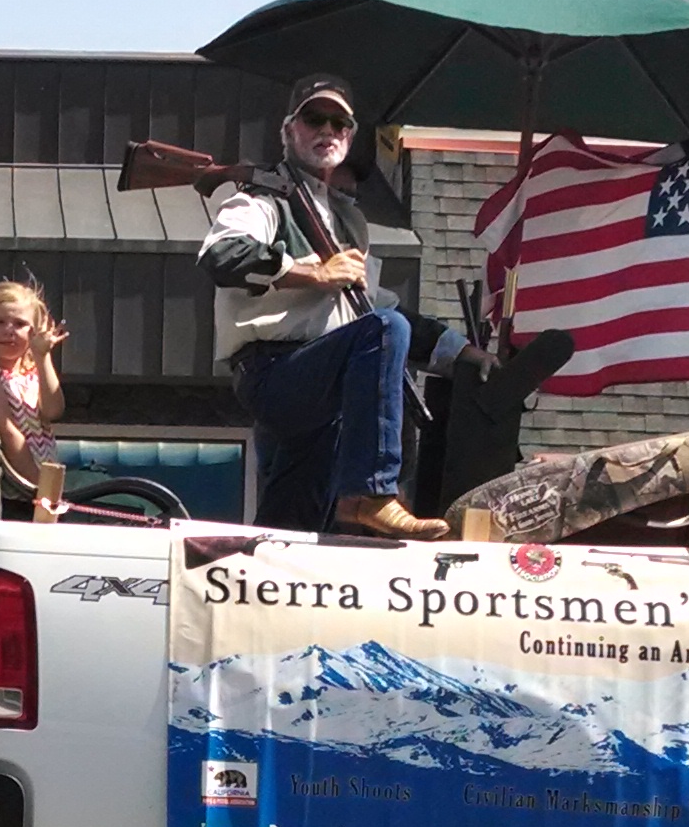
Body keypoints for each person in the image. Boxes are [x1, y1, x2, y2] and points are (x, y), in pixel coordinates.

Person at [199, 75, 484, 540]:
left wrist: (464, 352)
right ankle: (371, 495)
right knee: (382, 331)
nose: (327, 129)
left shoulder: (347, 220)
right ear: (289, 131)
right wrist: (312, 272)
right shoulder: (260, 199)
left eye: (339, 122)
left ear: (350, 138)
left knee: (289, 530)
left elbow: (375, 310)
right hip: (274, 374)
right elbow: (220, 256)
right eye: (314, 118)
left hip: (322, 389)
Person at [0, 278, 69, 498]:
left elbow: (53, 411)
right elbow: (7, 433)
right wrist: (38, 487)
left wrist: (42, 356)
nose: (9, 330)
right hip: (9, 492)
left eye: (20, 324)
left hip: (42, 485)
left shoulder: (33, 374)